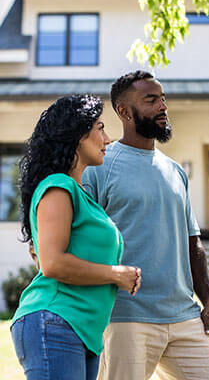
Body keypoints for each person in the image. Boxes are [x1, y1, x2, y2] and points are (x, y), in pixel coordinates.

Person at [82, 71, 209, 380]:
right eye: (151, 100)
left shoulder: (175, 171)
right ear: (123, 111)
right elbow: (82, 240)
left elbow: (192, 243)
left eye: (163, 99)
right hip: (126, 315)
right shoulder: (99, 168)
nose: (162, 107)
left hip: (184, 315)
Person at [11, 95, 141, 380]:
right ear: (78, 134)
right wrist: (116, 274)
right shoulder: (58, 186)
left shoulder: (81, 195)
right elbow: (53, 264)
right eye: (101, 127)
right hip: (55, 320)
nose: (108, 138)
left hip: (81, 330)